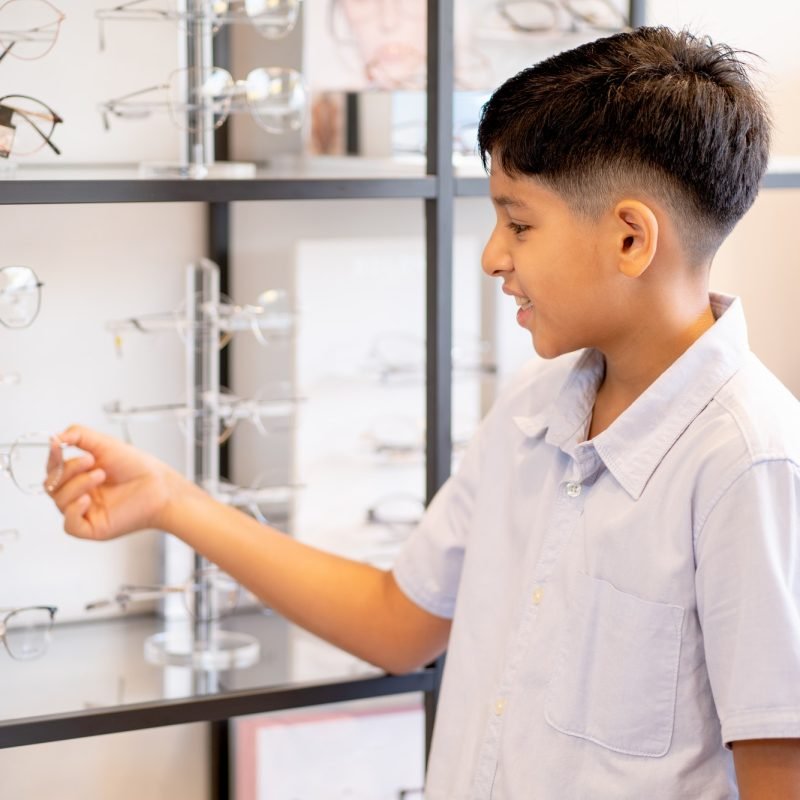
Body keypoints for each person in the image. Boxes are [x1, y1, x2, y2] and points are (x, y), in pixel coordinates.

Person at [46, 26, 800, 799]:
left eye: (519, 223)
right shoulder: (529, 413)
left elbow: (779, 772)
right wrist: (173, 501)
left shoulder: (749, 461)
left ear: (631, 238)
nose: (492, 256)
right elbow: (396, 623)